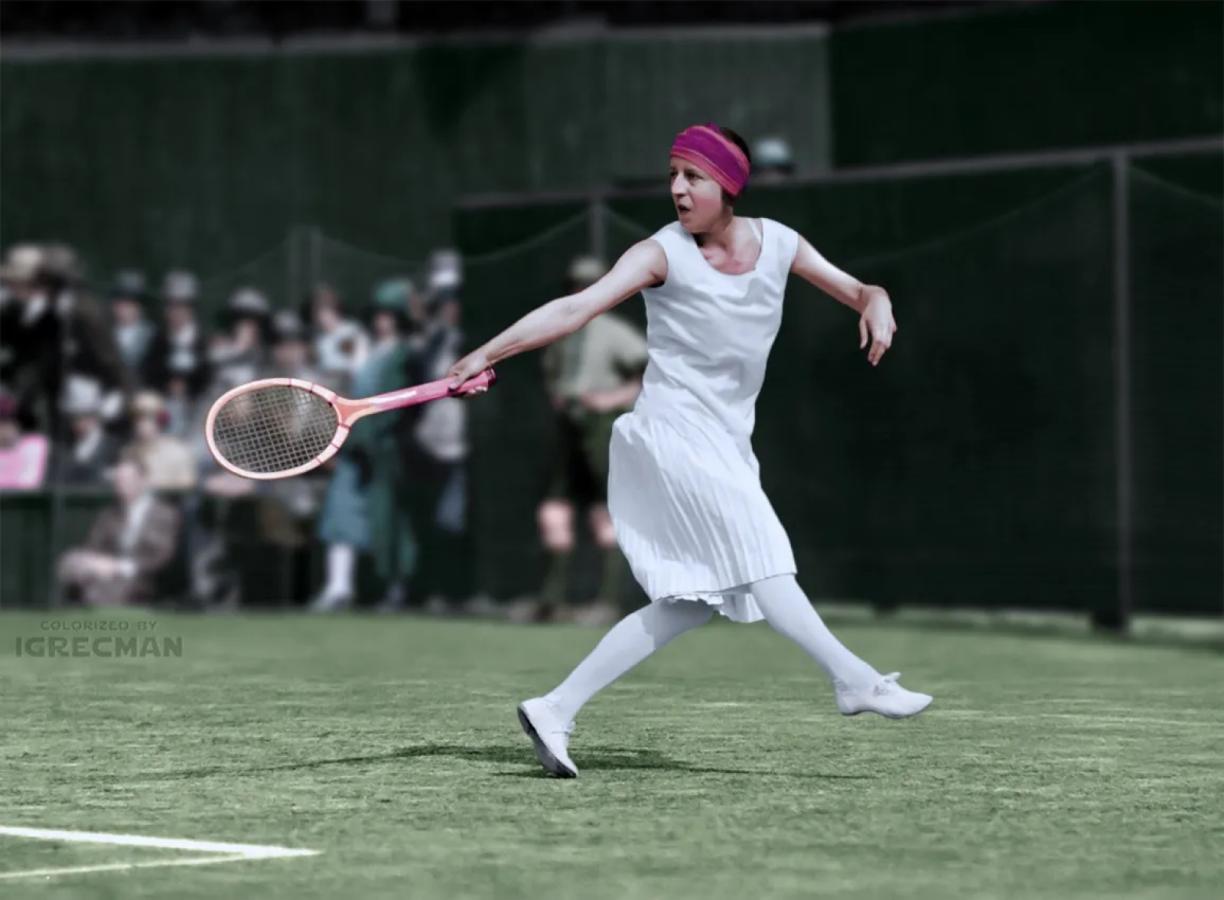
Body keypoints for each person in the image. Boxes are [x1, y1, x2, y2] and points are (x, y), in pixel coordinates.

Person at [446, 123, 931, 778]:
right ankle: (855, 681)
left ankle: (555, 707)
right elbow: (574, 309)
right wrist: (486, 351)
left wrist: (877, 302)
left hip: (729, 442)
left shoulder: (781, 243)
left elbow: (858, 289)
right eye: (672, 174)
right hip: (670, 435)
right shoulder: (659, 254)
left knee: (688, 604)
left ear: (728, 184)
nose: (677, 187)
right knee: (766, 558)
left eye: (692, 176)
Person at [535, 255, 647, 625]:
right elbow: (552, 373)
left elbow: (650, 373)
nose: (581, 292)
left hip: (601, 427)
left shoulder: (615, 333)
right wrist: (559, 396)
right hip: (569, 427)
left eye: (591, 286)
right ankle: (552, 599)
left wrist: (610, 400)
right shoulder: (560, 332)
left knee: (605, 512)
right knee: (556, 510)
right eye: (576, 285)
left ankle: (608, 602)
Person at [56, 453, 181, 607]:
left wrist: (119, 567)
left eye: (126, 480)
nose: (120, 485)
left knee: (104, 588)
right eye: (118, 481)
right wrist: (95, 562)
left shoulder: (164, 514)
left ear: (142, 481)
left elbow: (162, 557)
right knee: (71, 561)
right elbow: (93, 545)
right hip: (105, 569)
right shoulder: (109, 513)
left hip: (141, 576)